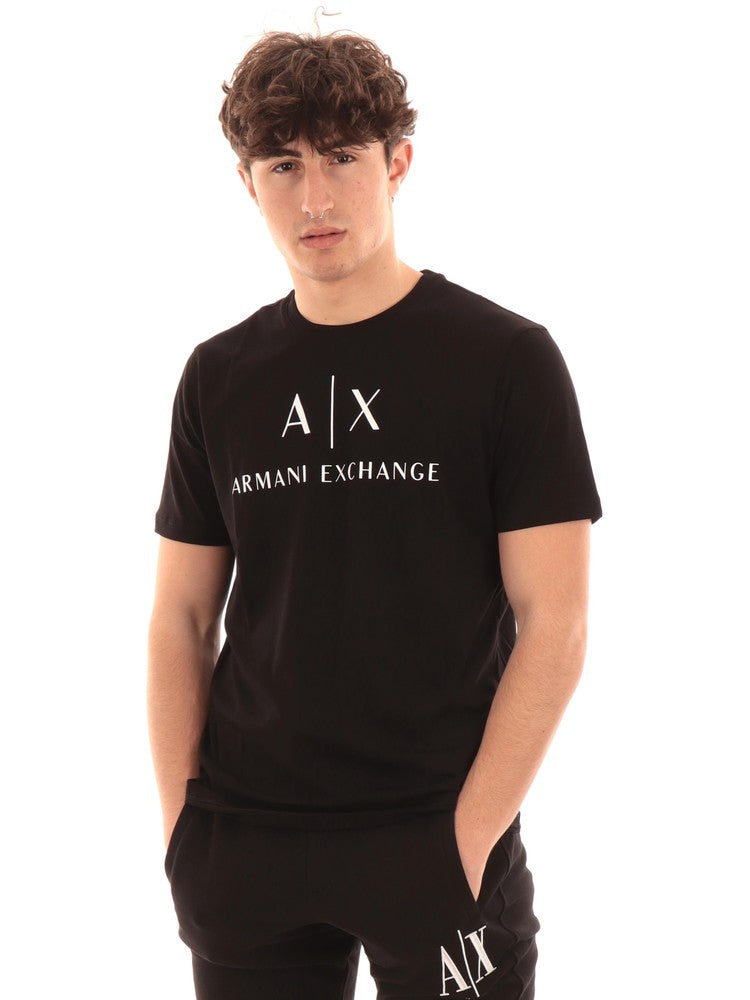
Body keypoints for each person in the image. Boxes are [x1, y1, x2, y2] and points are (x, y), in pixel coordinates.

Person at [147, 28, 603, 1000]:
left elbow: (557, 622)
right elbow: (180, 616)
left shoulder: (505, 361)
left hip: (437, 840)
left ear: (398, 163)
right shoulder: (218, 378)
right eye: (283, 164)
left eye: (343, 157)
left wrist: (466, 842)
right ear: (247, 183)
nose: (314, 198)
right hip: (247, 845)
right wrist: (184, 830)